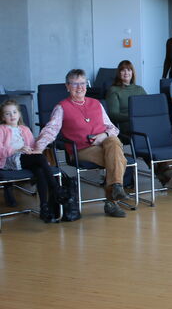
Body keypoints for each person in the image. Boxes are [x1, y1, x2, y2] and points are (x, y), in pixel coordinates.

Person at [35, 69, 130, 218]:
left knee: (112, 140)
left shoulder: (96, 103)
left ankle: (116, 189)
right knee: (120, 159)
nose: (80, 87)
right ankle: (112, 199)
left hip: (104, 144)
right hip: (80, 149)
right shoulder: (61, 107)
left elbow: (113, 128)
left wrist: (102, 135)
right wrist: (37, 147)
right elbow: (50, 130)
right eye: (75, 84)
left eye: (83, 83)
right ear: (67, 87)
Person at [0, 100, 64, 222]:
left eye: (14, 112)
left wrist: (33, 152)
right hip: (10, 159)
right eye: (8, 114)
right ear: (3, 117)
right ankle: (55, 188)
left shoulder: (25, 129)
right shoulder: (2, 129)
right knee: (40, 158)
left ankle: (44, 207)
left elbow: (33, 146)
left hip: (26, 158)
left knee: (40, 170)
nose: (12, 115)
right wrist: (17, 149)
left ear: (19, 114)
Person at [106, 60, 147, 136]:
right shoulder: (113, 90)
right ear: (119, 73)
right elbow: (113, 114)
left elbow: (148, 108)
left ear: (132, 72)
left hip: (142, 120)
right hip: (126, 124)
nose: (126, 73)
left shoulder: (140, 89)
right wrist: (133, 117)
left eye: (129, 70)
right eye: (123, 70)